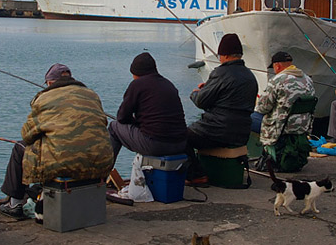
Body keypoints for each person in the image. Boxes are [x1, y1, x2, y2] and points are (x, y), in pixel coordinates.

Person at [0, 63, 113, 219]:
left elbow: (27, 134)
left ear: (50, 82)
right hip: (101, 162)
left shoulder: (44, 97)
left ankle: (15, 203)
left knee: (20, 147)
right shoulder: (92, 95)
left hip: (64, 162)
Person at [185, 33, 259, 182]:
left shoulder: (221, 72)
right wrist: (210, 88)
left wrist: (196, 93)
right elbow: (230, 98)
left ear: (224, 55)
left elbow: (201, 101)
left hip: (217, 131)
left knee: (180, 136)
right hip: (242, 133)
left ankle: (197, 174)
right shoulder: (250, 76)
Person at [108, 52, 186, 161]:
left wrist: (135, 122)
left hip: (155, 145)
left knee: (113, 127)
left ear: (136, 73)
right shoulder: (168, 84)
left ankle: (102, 173)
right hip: (181, 144)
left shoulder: (137, 84)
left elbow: (122, 117)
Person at [255, 50, 315, 172]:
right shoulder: (308, 80)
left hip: (280, 129)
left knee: (251, 117)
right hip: (301, 127)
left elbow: (262, 108)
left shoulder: (277, 80)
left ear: (277, 65)